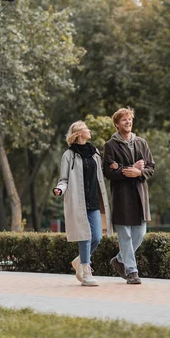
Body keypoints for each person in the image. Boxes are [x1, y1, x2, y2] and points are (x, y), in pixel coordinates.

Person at [53, 121, 113, 286]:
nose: (89, 130)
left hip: (93, 200)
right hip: (77, 202)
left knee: (97, 237)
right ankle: (86, 272)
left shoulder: (95, 153)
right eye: (86, 128)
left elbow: (100, 175)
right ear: (79, 133)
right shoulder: (69, 155)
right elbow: (64, 179)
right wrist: (59, 189)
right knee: (84, 236)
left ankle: (79, 260)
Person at [104, 107, 155, 285]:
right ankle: (132, 271)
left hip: (140, 194)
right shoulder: (110, 145)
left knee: (140, 233)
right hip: (121, 196)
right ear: (117, 124)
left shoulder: (141, 143)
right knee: (125, 235)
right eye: (124, 120)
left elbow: (151, 167)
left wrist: (139, 173)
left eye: (130, 119)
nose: (128, 122)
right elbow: (108, 172)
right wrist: (129, 169)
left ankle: (119, 259)